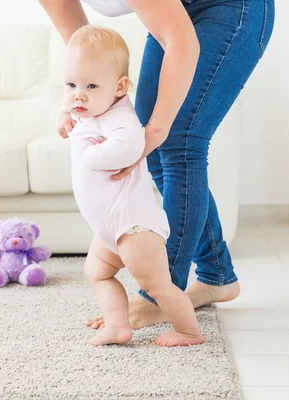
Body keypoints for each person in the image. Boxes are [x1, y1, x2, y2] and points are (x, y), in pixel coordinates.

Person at [40, 0, 275, 330]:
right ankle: (216, 274)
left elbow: (182, 41)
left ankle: (161, 293)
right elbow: (82, 44)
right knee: (154, 150)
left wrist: (157, 130)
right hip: (174, 11)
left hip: (228, 8)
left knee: (178, 141)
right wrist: (89, 96)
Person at [65, 25, 205, 347]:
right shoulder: (91, 109)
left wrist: (91, 155)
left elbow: (130, 145)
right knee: (98, 273)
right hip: (109, 229)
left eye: (90, 85)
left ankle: (188, 331)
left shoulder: (120, 118)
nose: (78, 94)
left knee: (158, 285)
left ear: (120, 87)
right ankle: (117, 326)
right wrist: (64, 115)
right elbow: (76, 109)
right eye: (71, 84)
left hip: (134, 226)